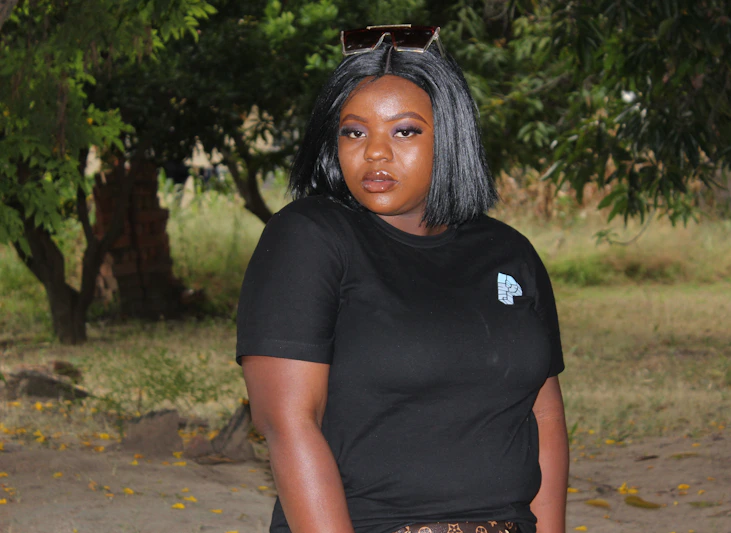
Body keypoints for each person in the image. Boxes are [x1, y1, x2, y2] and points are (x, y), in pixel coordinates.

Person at [237, 25, 568, 533]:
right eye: (354, 131)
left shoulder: (508, 253)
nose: (375, 152)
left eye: (405, 130)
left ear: (450, 134)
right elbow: (287, 425)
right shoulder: (309, 238)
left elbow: (542, 415)